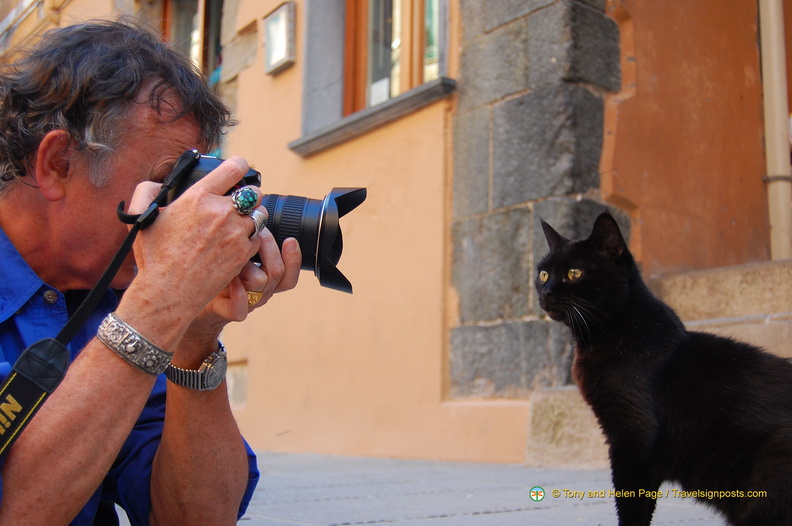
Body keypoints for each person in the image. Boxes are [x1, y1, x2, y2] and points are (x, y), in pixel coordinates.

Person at [0, 18, 302, 525]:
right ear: (57, 163)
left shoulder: (117, 291)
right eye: (167, 181)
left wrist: (195, 335)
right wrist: (160, 304)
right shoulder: (141, 301)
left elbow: (195, 517)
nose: (186, 212)